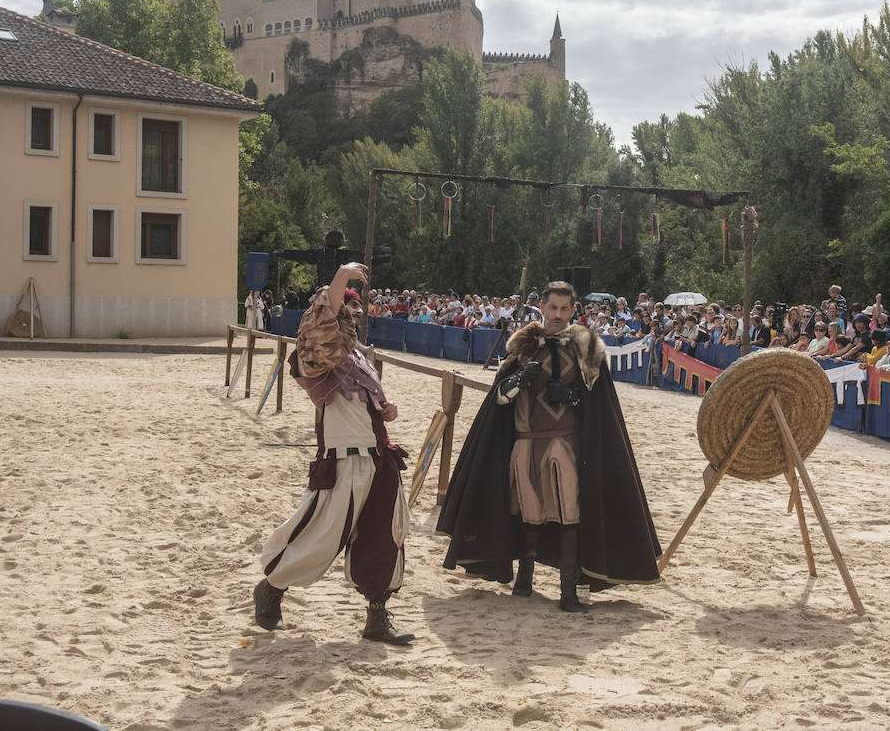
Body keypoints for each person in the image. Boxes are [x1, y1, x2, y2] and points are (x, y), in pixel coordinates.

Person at [438, 281, 661, 612]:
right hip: (525, 445)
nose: (557, 314)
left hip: (566, 445)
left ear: (573, 311)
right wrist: (514, 384)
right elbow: (497, 403)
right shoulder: (522, 347)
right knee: (529, 513)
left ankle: (568, 591)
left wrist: (573, 396)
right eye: (552, 307)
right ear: (541, 307)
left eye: (564, 309)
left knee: (569, 512)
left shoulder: (586, 350)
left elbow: (601, 410)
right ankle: (524, 581)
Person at [253, 263, 414, 645]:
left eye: (358, 311)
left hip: (379, 456)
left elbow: (370, 404)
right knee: (321, 537)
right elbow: (322, 329)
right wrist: (340, 279)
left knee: (384, 535)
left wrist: (386, 410)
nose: (354, 315)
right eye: (347, 309)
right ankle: (272, 588)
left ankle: (377, 617)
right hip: (342, 460)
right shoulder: (314, 354)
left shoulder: (362, 357)